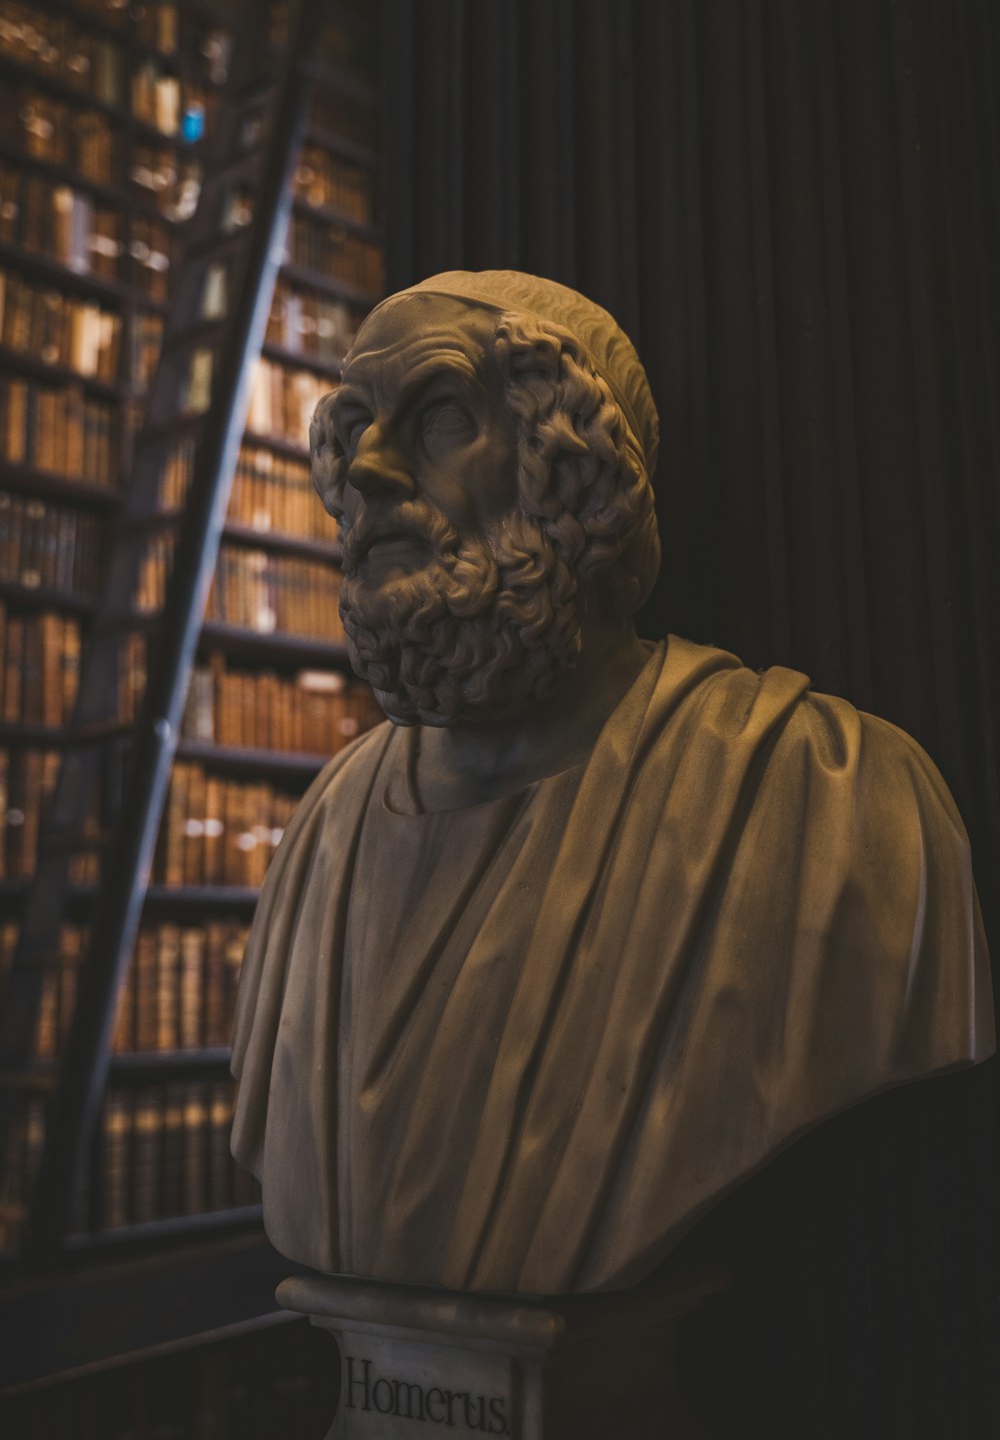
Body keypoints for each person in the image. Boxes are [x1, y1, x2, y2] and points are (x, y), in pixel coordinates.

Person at [230, 270, 993, 1297]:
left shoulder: (831, 802)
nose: (366, 469)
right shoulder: (324, 834)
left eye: (440, 415)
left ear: (569, 460)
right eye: (353, 424)